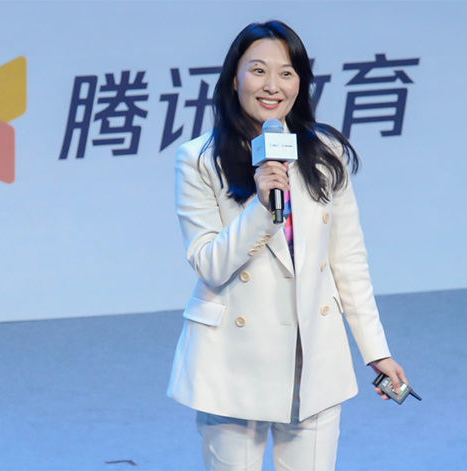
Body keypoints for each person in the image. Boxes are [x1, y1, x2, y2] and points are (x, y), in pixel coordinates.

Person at [167, 20, 409, 471]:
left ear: (301, 82)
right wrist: (261, 206)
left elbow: (348, 262)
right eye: (258, 70)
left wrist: (376, 350)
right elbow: (209, 264)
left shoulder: (325, 153)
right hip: (234, 360)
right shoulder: (199, 159)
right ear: (234, 78)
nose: (272, 86)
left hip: (314, 357)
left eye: (286, 72)